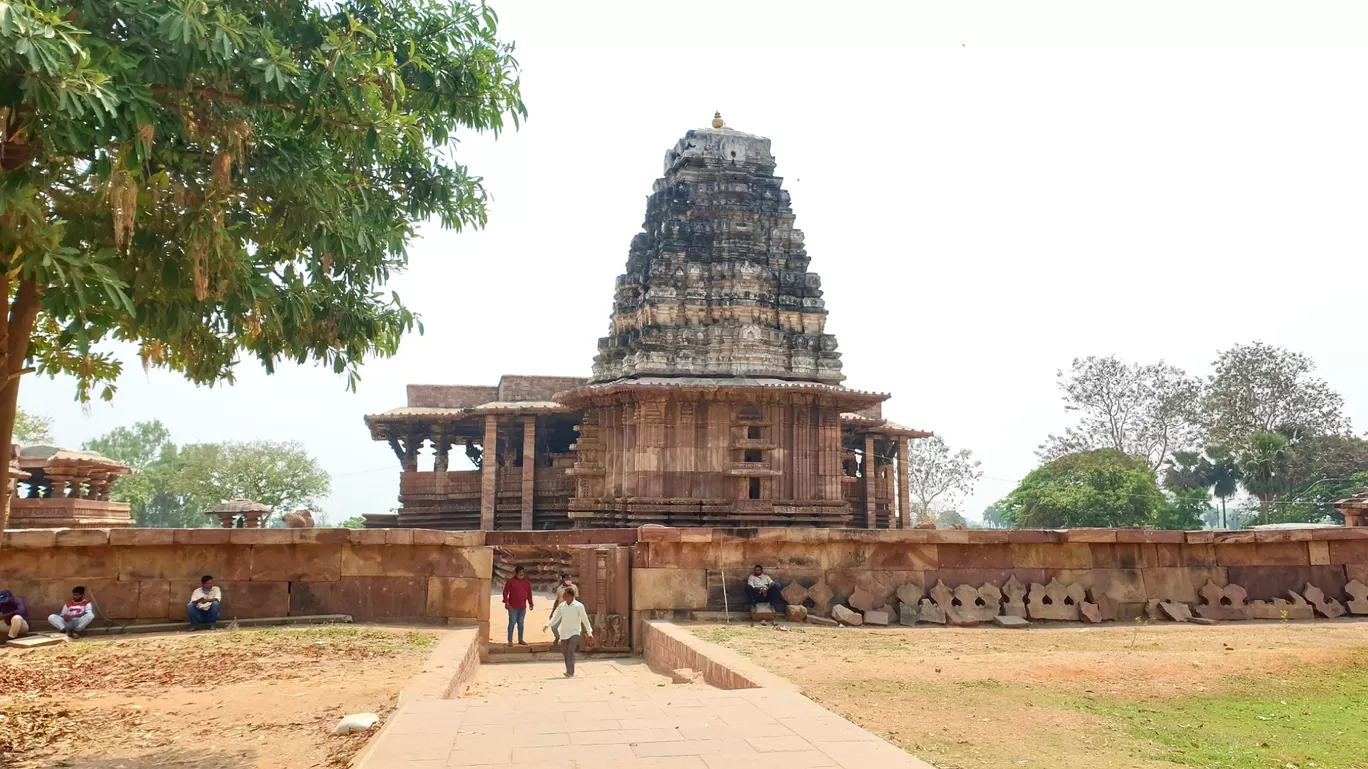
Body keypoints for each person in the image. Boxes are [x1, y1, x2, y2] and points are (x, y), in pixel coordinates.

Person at [544, 587, 593, 678]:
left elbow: (584, 619)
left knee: (571, 650)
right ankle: (568, 670)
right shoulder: (562, 606)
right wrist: (548, 624)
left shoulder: (578, 606)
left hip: (575, 632)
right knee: (565, 652)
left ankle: (570, 672)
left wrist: (589, 632)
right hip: (564, 632)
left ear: (571, 596)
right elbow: (556, 617)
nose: (563, 596)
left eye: (565, 595)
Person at [502, 566, 534, 646]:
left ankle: (520, 639)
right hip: (513, 606)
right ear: (516, 573)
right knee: (512, 623)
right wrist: (506, 601)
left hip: (522, 606)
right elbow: (505, 592)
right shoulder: (511, 581)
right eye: (520, 573)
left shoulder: (526, 582)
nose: (521, 574)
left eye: (522, 573)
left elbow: (529, 593)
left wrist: (531, 603)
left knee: (521, 623)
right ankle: (510, 641)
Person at [549, 573, 577, 648]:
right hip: (561, 610)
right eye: (567, 578)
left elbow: (577, 599)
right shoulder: (559, 589)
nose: (569, 580)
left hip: (571, 611)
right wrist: (552, 612)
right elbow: (557, 601)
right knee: (553, 626)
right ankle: (557, 637)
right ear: (563, 579)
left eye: (569, 578)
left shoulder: (574, 587)